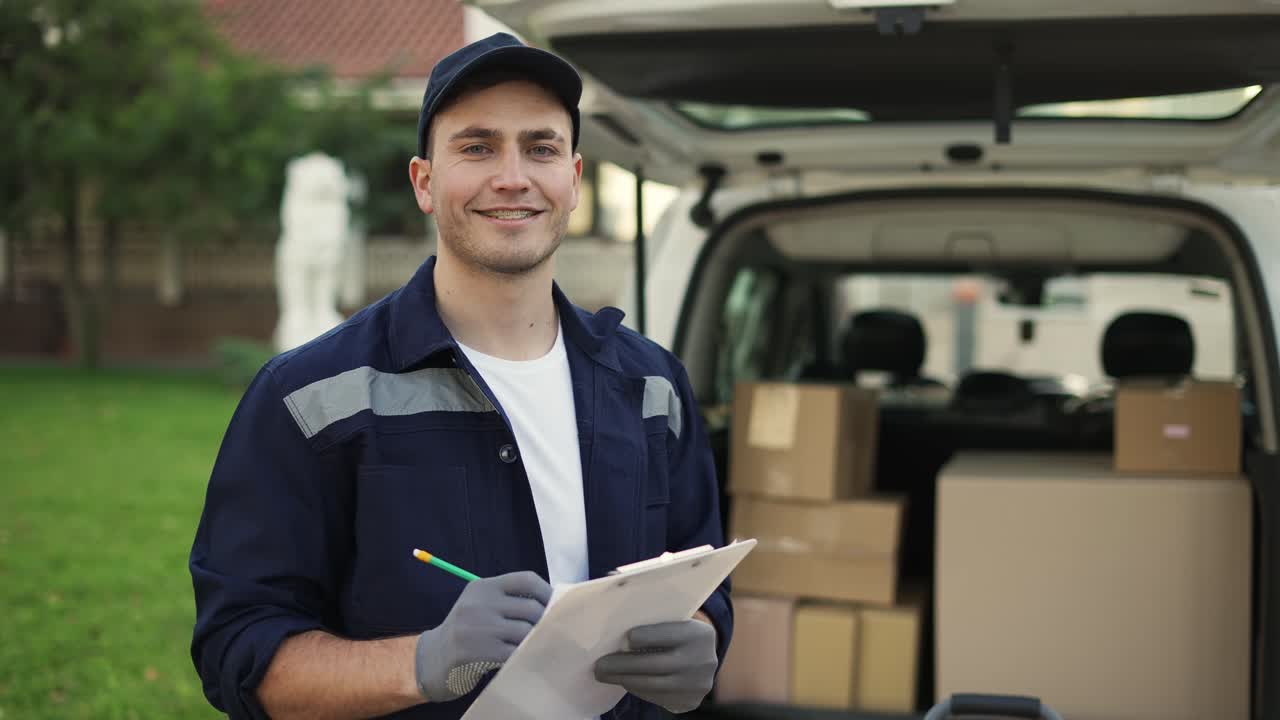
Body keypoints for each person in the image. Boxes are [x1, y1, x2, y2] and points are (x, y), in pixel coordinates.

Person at [189, 32, 733, 720]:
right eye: (477, 148)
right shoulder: (310, 398)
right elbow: (240, 652)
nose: (513, 176)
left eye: (540, 148)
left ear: (573, 179)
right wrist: (419, 663)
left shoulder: (654, 389)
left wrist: (705, 638)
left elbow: (699, 582)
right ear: (424, 182)